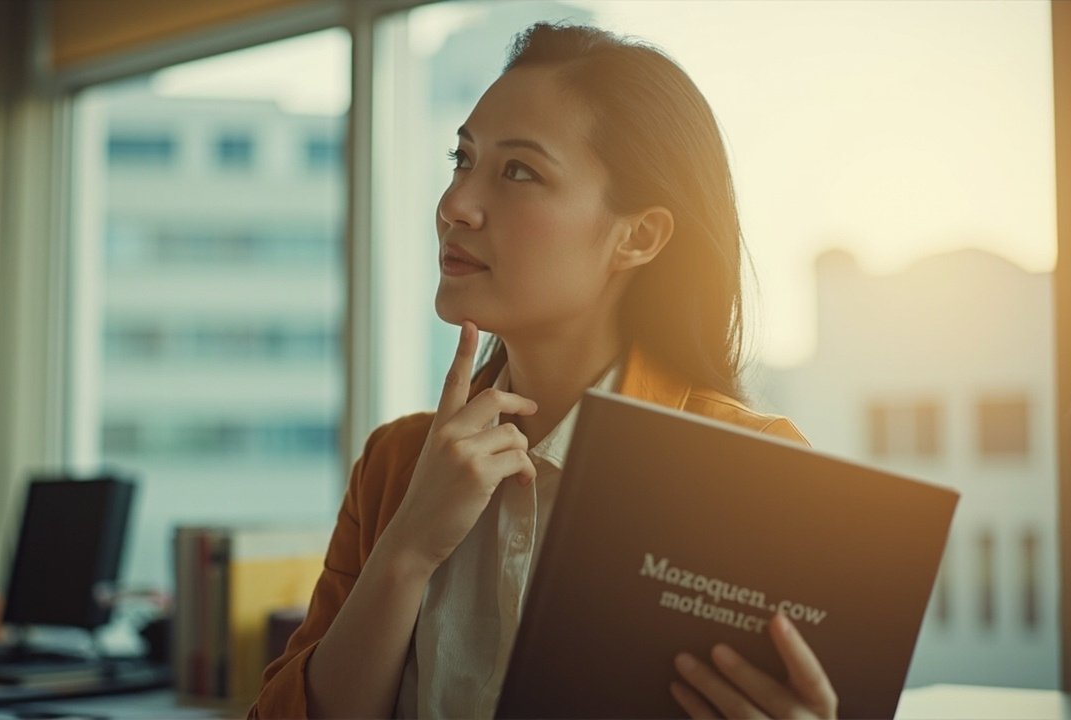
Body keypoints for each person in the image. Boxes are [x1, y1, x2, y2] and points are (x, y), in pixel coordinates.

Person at [250, 22, 838, 720]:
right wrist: (406, 551)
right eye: (461, 159)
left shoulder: (753, 469)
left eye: (519, 172)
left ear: (638, 236)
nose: (453, 206)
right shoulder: (395, 464)